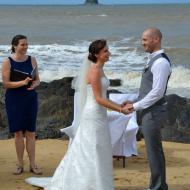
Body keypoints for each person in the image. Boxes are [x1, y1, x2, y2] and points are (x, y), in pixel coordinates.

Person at [25, 39, 129, 189]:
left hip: (100, 114)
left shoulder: (100, 68)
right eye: (105, 51)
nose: (109, 53)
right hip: (93, 114)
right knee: (91, 148)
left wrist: (120, 104)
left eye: (108, 50)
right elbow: (99, 98)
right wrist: (120, 109)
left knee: (99, 148)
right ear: (96, 54)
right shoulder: (94, 70)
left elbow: (102, 95)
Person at [124, 28, 171, 190]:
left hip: (154, 112)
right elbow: (148, 89)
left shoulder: (161, 62)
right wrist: (135, 100)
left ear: (156, 39)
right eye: (142, 39)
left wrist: (135, 106)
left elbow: (157, 92)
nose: (142, 42)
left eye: (145, 39)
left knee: (154, 152)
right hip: (149, 111)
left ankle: (158, 187)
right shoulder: (152, 59)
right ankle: (158, 186)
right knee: (153, 151)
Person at [1, 34, 42, 175]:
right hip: (14, 99)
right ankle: (19, 165)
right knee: (18, 133)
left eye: (26, 44)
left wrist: (34, 84)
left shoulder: (32, 60)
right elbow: (6, 83)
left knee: (31, 132)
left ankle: (33, 164)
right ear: (14, 46)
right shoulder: (7, 62)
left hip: (30, 98)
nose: (25, 47)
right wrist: (22, 83)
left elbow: (37, 79)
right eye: (22, 44)